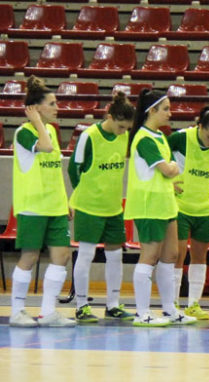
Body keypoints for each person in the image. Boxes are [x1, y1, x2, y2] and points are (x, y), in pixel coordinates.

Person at [125, 89, 196, 327]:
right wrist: (174, 168)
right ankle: (142, 312)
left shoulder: (159, 137)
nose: (170, 113)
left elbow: (166, 172)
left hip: (165, 202)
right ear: (151, 110)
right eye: (165, 108)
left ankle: (169, 309)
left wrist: (172, 177)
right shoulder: (144, 138)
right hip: (149, 204)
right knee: (150, 255)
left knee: (171, 255)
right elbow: (167, 169)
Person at [9, 76, 75, 327]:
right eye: (52, 103)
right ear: (37, 108)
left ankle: (48, 312)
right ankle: (17, 310)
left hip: (54, 206)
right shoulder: (24, 133)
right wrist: (36, 121)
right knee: (30, 257)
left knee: (62, 255)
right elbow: (45, 149)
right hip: (33, 207)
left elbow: (53, 168)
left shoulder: (50, 131)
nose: (57, 108)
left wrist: (64, 199)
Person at [68, 92, 135, 323]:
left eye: (127, 128)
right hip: (89, 207)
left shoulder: (124, 136)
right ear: (110, 116)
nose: (123, 131)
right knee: (86, 254)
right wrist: (83, 194)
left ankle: (113, 305)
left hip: (114, 207)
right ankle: (82, 306)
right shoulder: (89, 136)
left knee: (115, 256)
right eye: (120, 126)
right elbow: (73, 169)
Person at [169, 107, 209, 320]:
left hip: (206, 207)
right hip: (180, 206)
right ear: (199, 126)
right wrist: (169, 182)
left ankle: (193, 304)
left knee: (200, 256)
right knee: (177, 255)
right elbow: (157, 160)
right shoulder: (179, 138)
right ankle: (172, 303)